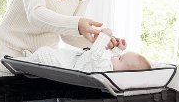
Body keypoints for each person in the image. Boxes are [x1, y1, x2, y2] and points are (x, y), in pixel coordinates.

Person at [21, 28, 151, 72]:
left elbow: (96, 54)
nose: (117, 56)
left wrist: (104, 36)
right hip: (74, 59)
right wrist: (119, 49)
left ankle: (27, 62)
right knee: (54, 52)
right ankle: (31, 59)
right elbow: (111, 57)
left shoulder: (105, 69)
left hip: (69, 66)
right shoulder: (110, 65)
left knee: (45, 53)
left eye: (120, 57)